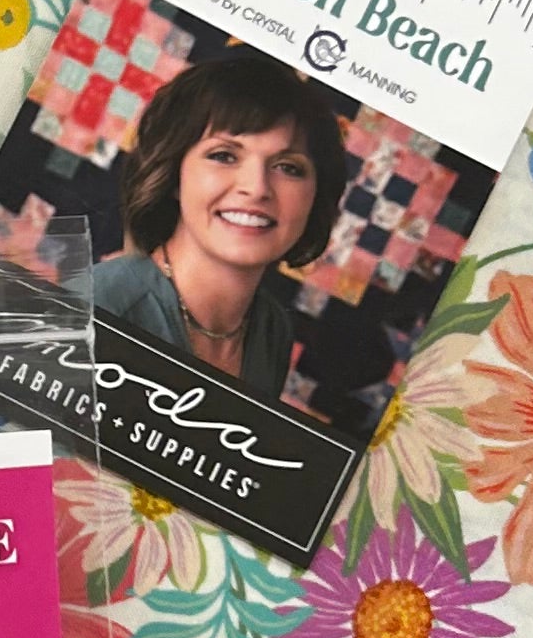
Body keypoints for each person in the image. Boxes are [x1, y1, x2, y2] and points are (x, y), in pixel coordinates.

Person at [86, 48, 349, 393]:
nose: (257, 188)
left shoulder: (271, 330)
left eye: (288, 167)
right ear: (173, 175)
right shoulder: (94, 307)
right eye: (224, 156)